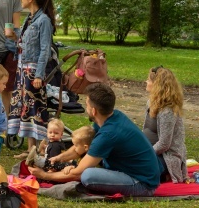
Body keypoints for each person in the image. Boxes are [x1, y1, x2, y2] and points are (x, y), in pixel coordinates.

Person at [29, 83, 162, 196]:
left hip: (142, 184)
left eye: (86, 104)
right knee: (85, 163)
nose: (85, 107)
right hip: (135, 172)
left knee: (87, 175)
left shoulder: (108, 134)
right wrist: (59, 158)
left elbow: (78, 173)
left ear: (93, 111)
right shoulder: (111, 117)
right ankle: (46, 163)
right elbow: (80, 146)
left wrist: (44, 176)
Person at [8, 0, 55, 157]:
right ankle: (30, 149)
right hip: (22, 69)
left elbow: (44, 49)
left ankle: (37, 149)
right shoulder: (30, 19)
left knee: (35, 109)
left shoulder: (43, 21)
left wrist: (39, 75)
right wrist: (14, 36)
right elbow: (24, 44)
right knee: (26, 109)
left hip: (33, 71)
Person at [143, 66, 187, 183]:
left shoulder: (167, 111)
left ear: (157, 85)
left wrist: (144, 153)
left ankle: (165, 173)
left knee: (137, 166)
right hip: (150, 151)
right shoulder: (151, 103)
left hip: (165, 157)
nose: (146, 81)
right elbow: (146, 129)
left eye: (149, 79)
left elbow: (164, 144)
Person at [27, 125, 95, 173]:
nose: (74, 148)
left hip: (74, 173)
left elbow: (82, 170)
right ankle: (37, 161)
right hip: (71, 167)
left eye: (76, 145)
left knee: (59, 165)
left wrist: (72, 167)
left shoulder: (90, 157)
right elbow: (77, 163)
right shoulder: (83, 152)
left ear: (85, 147)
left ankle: (38, 161)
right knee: (61, 162)